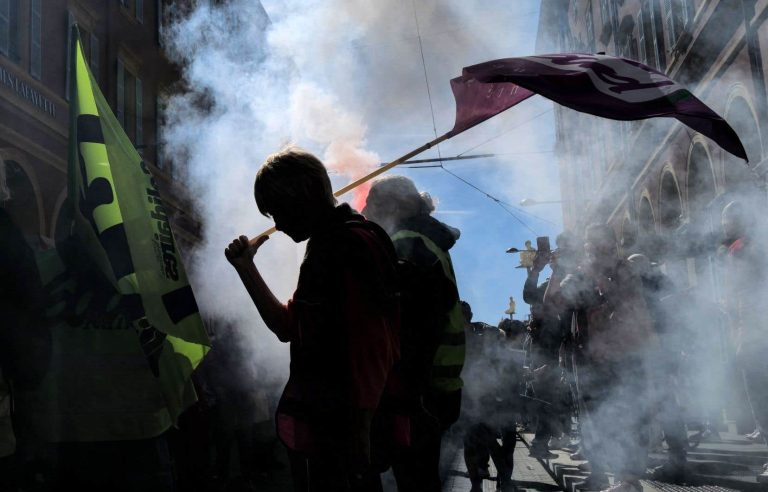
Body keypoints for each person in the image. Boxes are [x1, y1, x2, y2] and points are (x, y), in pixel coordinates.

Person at [225, 147, 402, 492]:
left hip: (344, 425)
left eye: (277, 211)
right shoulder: (359, 236)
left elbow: (362, 340)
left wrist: (360, 429)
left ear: (300, 197)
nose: (277, 224)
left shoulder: (335, 248)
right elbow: (294, 327)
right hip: (354, 418)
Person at [362, 176, 465, 492]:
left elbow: (416, 326)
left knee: (415, 481)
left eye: (373, 204)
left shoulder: (407, 243)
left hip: (418, 395)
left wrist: (409, 395)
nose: (366, 213)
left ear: (399, 205)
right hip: (435, 388)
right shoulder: (426, 241)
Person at [559, 224, 657, 492]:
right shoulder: (586, 272)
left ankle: (628, 480)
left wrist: (599, 290)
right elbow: (565, 302)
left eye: (594, 242)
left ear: (608, 244)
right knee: (596, 417)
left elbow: (626, 305)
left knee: (628, 414)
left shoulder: (621, 269)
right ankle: (603, 475)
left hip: (624, 352)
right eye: (589, 243)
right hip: (592, 355)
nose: (590, 247)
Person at [720, 200, 768, 484]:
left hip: (755, 334)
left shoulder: (741, 250)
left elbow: (744, 296)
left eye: (726, 221)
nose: (723, 226)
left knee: (761, 395)